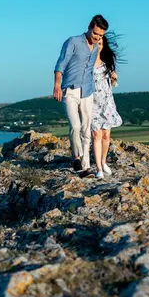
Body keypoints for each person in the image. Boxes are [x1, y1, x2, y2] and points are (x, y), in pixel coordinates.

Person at [54, 15, 108, 173]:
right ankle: (76, 157)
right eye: (96, 34)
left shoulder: (97, 47)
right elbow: (61, 63)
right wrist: (57, 84)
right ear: (90, 27)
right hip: (70, 90)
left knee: (86, 129)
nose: (97, 37)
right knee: (75, 126)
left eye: (101, 36)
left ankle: (85, 166)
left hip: (88, 91)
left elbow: (96, 68)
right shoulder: (73, 42)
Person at [91, 33, 123, 179]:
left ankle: (103, 162)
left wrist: (115, 79)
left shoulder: (107, 61)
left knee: (106, 135)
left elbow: (113, 84)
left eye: (101, 43)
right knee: (96, 135)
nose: (99, 45)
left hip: (107, 102)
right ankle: (98, 168)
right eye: (97, 42)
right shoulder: (87, 62)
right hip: (92, 103)